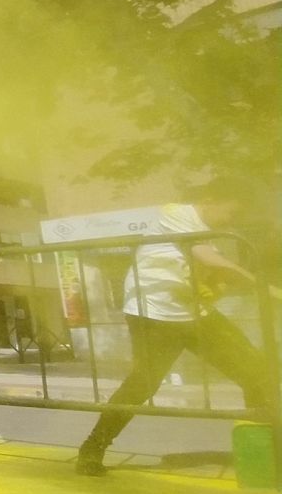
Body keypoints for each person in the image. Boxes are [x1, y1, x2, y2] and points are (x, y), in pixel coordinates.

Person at [75, 184, 276, 476]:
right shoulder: (176, 214)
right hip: (153, 313)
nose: (230, 221)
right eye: (231, 212)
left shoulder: (208, 233)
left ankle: (264, 453)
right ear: (210, 199)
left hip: (192, 314)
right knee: (143, 384)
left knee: (254, 369)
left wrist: (217, 285)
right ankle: (92, 449)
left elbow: (215, 272)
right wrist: (266, 289)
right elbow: (208, 258)